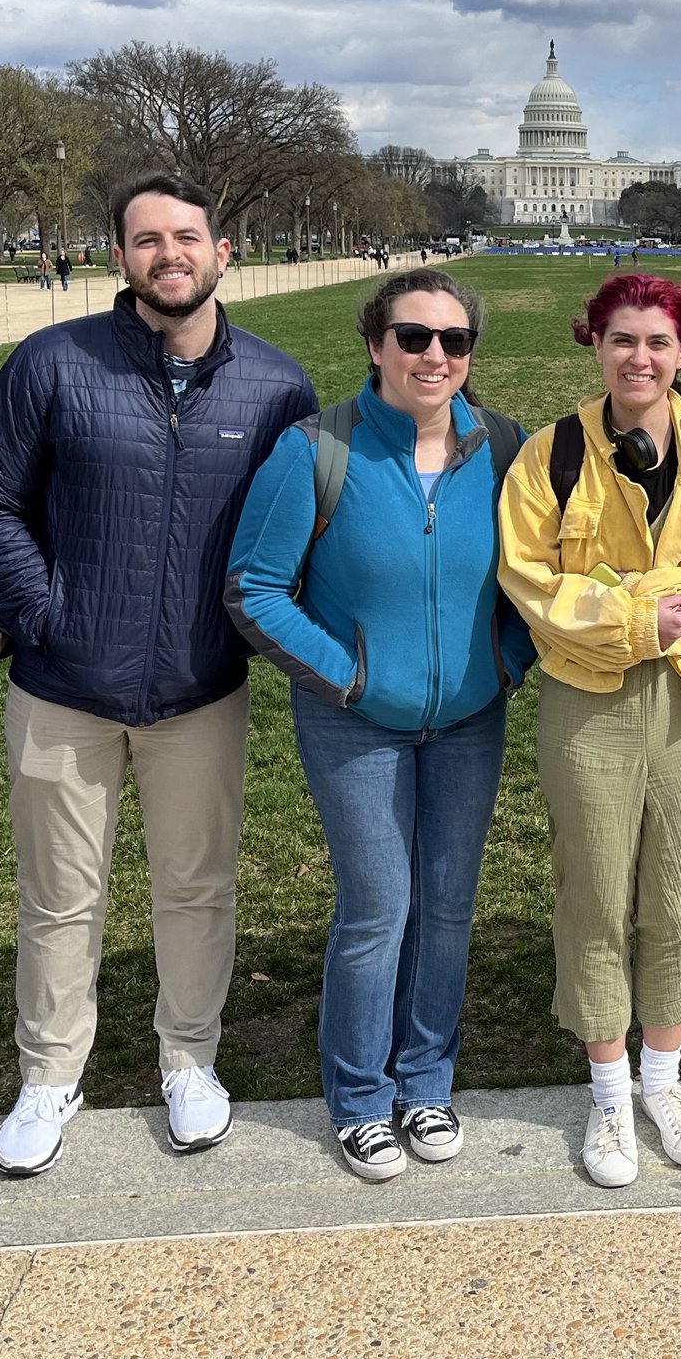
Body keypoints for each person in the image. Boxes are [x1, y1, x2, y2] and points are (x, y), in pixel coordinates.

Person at [0, 171, 317, 1178]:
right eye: (146, 239)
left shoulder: (277, 386)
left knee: (196, 888)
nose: (169, 254)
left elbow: (297, 533)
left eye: (186, 236)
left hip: (199, 685)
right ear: (119, 256)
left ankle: (187, 1060)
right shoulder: (53, 362)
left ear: (221, 253)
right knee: (60, 894)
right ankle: (49, 1071)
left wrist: (244, 633)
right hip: (65, 682)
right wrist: (41, 612)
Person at [226, 269, 533, 1183]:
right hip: (355, 724)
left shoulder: (505, 446)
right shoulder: (316, 448)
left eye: (453, 340)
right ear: (375, 344)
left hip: (470, 719)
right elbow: (255, 588)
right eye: (413, 336)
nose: (434, 355)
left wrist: (506, 662)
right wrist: (350, 679)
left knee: (445, 907)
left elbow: (536, 578)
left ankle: (426, 1079)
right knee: (377, 910)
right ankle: (360, 1095)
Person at [497, 273, 681, 1189]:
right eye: (622, 339)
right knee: (596, 892)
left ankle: (666, 1078)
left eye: (658, 341)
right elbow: (528, 577)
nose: (640, 358)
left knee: (676, 888)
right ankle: (609, 1090)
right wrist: (630, 626)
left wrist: (647, 612)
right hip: (591, 695)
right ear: (596, 345)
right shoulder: (552, 454)